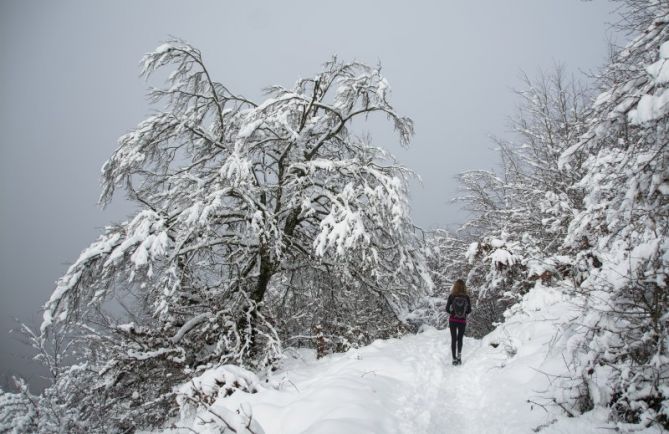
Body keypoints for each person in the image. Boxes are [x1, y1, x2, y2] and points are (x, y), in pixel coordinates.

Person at [445, 279, 472, 365]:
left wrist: (452, 313)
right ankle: (459, 358)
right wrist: (463, 314)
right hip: (462, 321)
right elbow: (469, 310)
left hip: (453, 320)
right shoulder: (466, 297)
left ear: (455, 286)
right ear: (464, 287)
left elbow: (446, 309)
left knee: (453, 338)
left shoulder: (452, 296)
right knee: (460, 339)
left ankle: (454, 359)